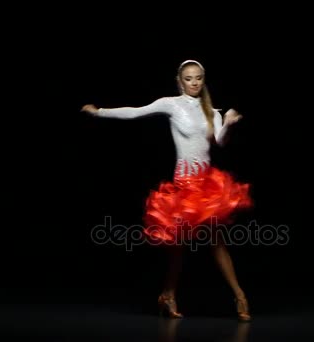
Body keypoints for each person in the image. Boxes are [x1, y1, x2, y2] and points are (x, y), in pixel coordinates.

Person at [81, 59, 253, 322]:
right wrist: (99, 111)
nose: (194, 82)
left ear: (203, 80)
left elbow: (220, 141)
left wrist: (228, 121)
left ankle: (239, 296)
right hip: (183, 186)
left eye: (198, 78)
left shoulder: (212, 112)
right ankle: (168, 294)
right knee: (178, 248)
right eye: (188, 78)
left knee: (217, 243)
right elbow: (135, 111)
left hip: (207, 187)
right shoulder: (171, 104)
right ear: (179, 81)